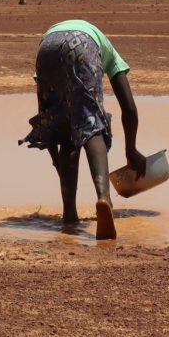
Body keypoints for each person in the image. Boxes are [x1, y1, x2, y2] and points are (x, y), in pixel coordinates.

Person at [20, 19, 146, 240]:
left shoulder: (54, 38)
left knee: (64, 131)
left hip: (46, 48)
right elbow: (130, 110)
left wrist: (56, 159)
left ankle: (69, 216)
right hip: (82, 45)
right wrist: (131, 151)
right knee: (91, 123)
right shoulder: (110, 54)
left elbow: (46, 116)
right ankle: (104, 198)